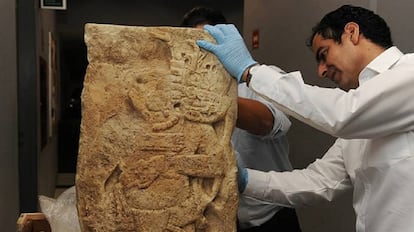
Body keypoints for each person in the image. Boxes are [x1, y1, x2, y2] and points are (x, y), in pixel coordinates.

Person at [197, 4, 414, 232]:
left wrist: (251, 72)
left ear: (351, 32)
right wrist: (243, 179)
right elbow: (318, 182)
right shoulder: (360, 125)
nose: (321, 71)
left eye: (324, 54)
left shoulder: (408, 73)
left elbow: (343, 114)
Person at [182, 6, 302, 232]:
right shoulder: (181, 93)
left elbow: (268, 122)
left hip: (268, 216)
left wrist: (214, 102)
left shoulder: (261, 81)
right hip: (216, 218)